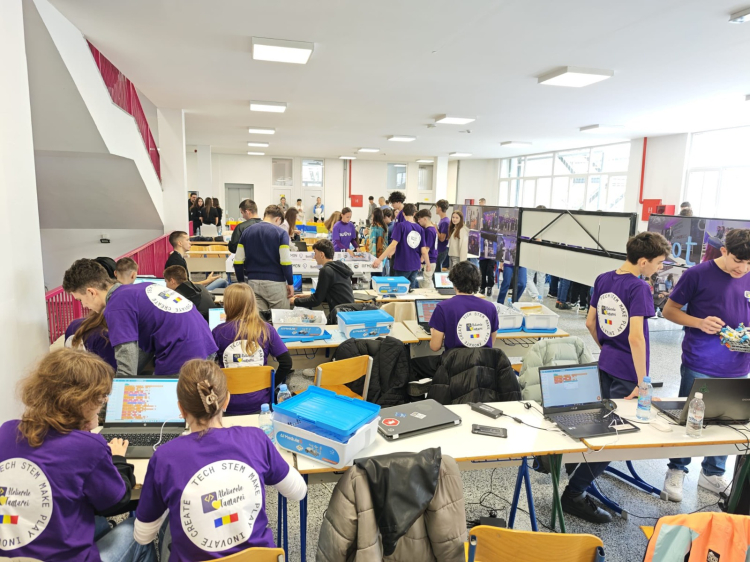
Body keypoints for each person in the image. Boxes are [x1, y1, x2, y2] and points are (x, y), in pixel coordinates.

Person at [134, 360, 307, 561]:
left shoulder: (164, 458)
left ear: (181, 409)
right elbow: (299, 491)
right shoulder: (255, 439)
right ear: (226, 400)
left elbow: (143, 536)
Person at [0, 349, 158, 561]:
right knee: (137, 529)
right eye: (100, 398)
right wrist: (118, 459)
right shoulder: (89, 448)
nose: (103, 403)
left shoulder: (6, 431)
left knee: (98, 523)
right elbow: (116, 501)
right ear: (82, 400)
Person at [561, 231, 670, 524]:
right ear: (644, 261)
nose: (660, 268)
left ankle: (576, 468)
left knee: (598, 424)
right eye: (659, 263)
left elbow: (590, 322)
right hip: (628, 372)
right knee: (615, 437)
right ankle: (574, 493)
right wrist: (643, 381)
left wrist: (608, 348)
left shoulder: (603, 278)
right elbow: (636, 337)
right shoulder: (640, 288)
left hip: (606, 362)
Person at [662, 228, 750, 501]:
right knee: (690, 418)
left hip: (739, 365)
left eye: (749, 264)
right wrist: (699, 322)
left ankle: (712, 473)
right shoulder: (697, 274)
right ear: (724, 250)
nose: (743, 269)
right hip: (700, 361)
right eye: (738, 261)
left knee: (729, 421)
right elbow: (669, 310)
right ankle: (677, 469)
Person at [63, 259, 217, 377]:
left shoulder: (117, 306)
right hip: (206, 347)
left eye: (80, 300)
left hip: (183, 357)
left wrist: (109, 402)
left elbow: (127, 369)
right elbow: (143, 351)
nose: (84, 305)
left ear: (91, 292)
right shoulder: (143, 288)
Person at [410, 262, 499, 380]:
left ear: (453, 282)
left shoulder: (443, 307)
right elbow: (491, 341)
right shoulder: (490, 307)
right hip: (482, 365)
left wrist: (434, 332)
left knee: (412, 365)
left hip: (453, 366)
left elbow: (435, 347)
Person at [212, 284, 293, 413]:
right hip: (261, 402)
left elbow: (206, 367)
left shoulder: (217, 332)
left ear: (228, 305)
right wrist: (270, 386)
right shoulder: (266, 329)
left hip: (227, 402)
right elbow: (286, 363)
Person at [233, 205, 294, 311]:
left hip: (253, 282)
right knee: (280, 318)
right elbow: (285, 262)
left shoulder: (246, 232)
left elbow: (238, 262)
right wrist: (290, 283)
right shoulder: (281, 233)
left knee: (257, 319)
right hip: (276, 283)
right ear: (278, 219)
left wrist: (242, 282)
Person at [372, 203, 429, 289]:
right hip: (415, 265)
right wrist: (428, 264)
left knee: (398, 290)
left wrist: (379, 259)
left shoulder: (400, 226)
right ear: (414, 213)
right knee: (411, 290)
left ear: (403, 213)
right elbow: (424, 251)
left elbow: (393, 245)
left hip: (403, 264)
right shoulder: (420, 229)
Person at [292, 239, 354, 315]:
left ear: (322, 254)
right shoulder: (338, 267)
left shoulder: (326, 270)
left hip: (340, 315)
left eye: (315, 253)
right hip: (349, 313)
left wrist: (294, 301)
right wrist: (307, 296)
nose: (314, 257)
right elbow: (332, 294)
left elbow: (316, 300)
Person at [415, 209, 437, 289]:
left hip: (428, 260)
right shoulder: (432, 229)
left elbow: (426, 249)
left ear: (425, 219)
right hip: (430, 260)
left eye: (419, 219)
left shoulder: (429, 231)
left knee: (425, 283)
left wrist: (421, 261)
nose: (418, 221)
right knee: (426, 282)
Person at [435, 199, 450, 272]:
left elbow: (442, 238)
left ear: (439, 208)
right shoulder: (443, 220)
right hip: (440, 248)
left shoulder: (445, 222)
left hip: (442, 249)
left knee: (437, 269)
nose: (436, 209)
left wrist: (435, 228)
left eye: (436, 207)